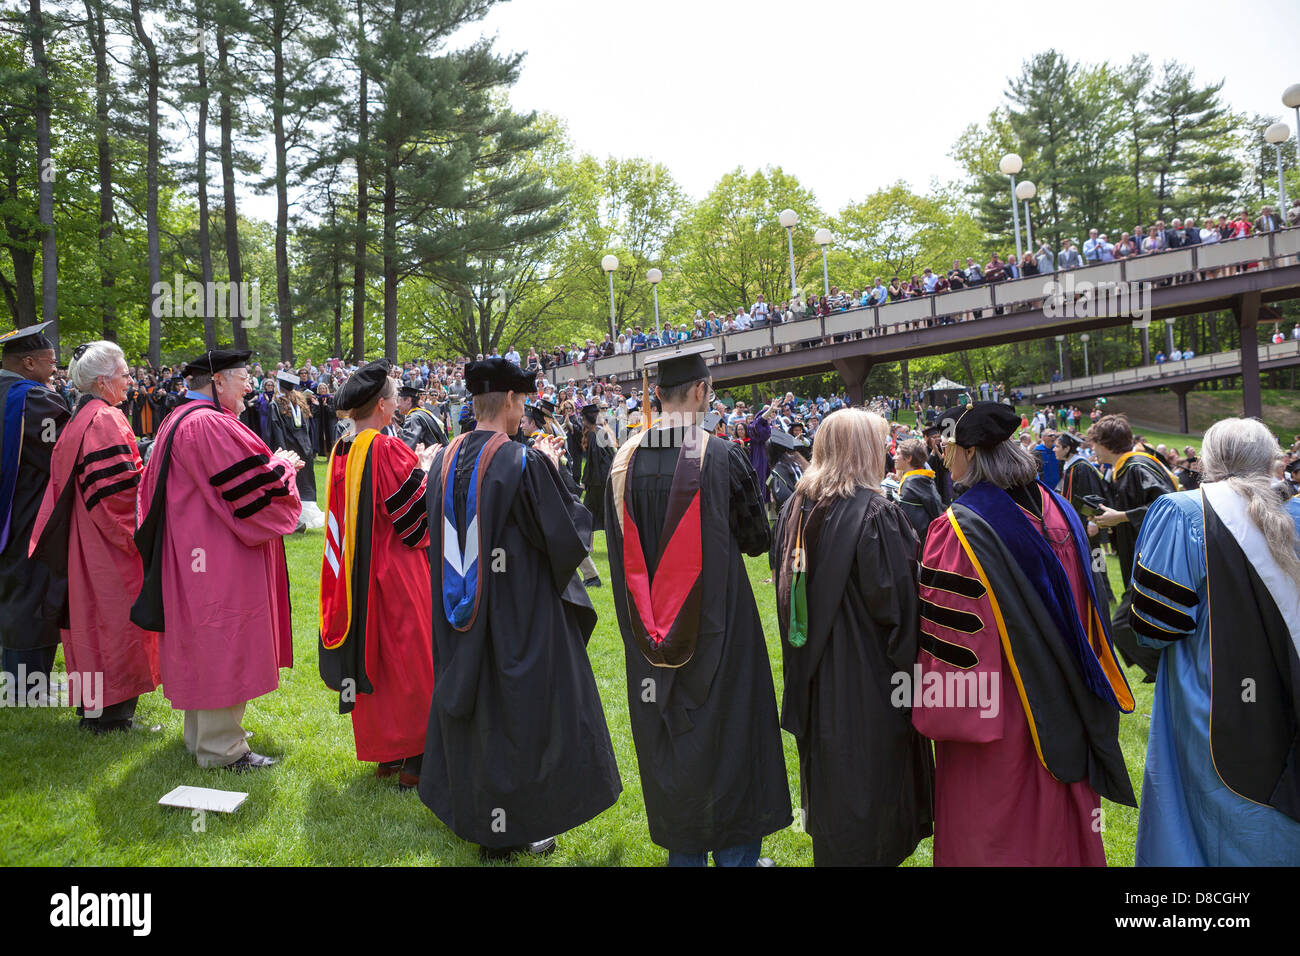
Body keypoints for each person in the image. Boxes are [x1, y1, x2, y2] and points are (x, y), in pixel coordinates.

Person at [912, 402, 1136, 865]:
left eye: (950, 447)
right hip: (1072, 694)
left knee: (999, 827)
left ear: (971, 452)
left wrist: (945, 710)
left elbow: (957, 646)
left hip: (1004, 716)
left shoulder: (958, 528)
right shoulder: (1060, 509)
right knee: (1063, 818)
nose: (944, 457)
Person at [419, 357, 620, 859]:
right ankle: (520, 824)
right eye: (523, 400)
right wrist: (555, 472)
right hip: (516, 614)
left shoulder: (443, 459)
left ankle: (487, 823)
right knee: (521, 713)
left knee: (479, 708)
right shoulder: (522, 461)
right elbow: (567, 539)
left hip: (456, 612)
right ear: (510, 400)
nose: (523, 408)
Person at [605, 343, 789, 866]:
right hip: (719, 631)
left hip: (648, 639)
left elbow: (618, 547)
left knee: (672, 743)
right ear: (703, 391)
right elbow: (757, 541)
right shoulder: (722, 456)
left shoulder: (623, 462)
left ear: (657, 395)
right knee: (730, 737)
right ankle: (737, 859)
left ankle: (684, 859)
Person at [1130, 418, 1300, 864]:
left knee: (1220, 817)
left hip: (1215, 698)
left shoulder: (1184, 512)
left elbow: (1154, 626)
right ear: (1272, 461)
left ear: (1207, 463)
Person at [772, 408, 934, 865]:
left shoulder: (793, 507)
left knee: (831, 791)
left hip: (813, 675)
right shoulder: (878, 513)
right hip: (869, 682)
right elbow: (900, 609)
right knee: (871, 800)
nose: (887, 455)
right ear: (862, 451)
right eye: (880, 445)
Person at [134, 349, 303, 770]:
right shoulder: (208, 423)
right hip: (215, 554)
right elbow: (252, 490)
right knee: (221, 637)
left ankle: (201, 738)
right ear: (217, 381)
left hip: (196, 550)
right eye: (243, 377)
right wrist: (282, 467)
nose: (250, 386)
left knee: (204, 638)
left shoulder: (181, 418)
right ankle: (223, 750)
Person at [28, 341, 159, 731]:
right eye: (124, 374)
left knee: (88, 623)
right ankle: (113, 717)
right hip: (108, 540)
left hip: (84, 537)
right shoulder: (106, 419)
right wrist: (141, 533)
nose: (129, 380)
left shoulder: (81, 416)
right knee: (115, 621)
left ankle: (95, 710)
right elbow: (117, 493)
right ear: (103, 381)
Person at [319, 362, 436, 788]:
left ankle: (388, 755)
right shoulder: (387, 449)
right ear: (385, 407)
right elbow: (415, 523)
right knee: (412, 657)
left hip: (357, 575)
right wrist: (424, 469)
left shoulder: (342, 451)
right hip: (397, 571)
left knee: (375, 660)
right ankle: (418, 758)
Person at [0, 322, 69, 689]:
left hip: (6, 507)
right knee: (30, 593)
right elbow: (66, 454)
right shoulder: (35, 399)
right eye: (51, 361)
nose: (55, 369)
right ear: (28, 363)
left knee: (10, 588)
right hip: (25, 510)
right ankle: (25, 683)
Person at [1089, 414, 1179, 682]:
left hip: (1156, 561)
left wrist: (1123, 516)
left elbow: (1170, 506)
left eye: (1094, 442)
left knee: (1123, 626)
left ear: (1106, 443)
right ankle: (1170, 681)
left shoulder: (1138, 468)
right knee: (1141, 626)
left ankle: (1171, 677)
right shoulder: (1124, 470)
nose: (1092, 448)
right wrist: (1110, 520)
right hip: (1145, 561)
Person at [1054, 431, 1114, 609]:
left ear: (1067, 448)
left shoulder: (1082, 467)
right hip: (1076, 523)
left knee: (1096, 557)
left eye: (1058, 446)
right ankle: (1092, 593)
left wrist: (1093, 521)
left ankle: (1106, 594)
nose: (1055, 449)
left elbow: (1093, 495)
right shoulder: (1070, 466)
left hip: (1087, 523)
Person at [267, 370, 323, 530]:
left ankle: (294, 520)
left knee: (290, 483)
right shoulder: (301, 403)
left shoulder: (275, 405)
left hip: (288, 451)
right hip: (304, 450)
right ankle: (300, 518)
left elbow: (275, 432)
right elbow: (309, 429)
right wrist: (308, 449)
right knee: (303, 483)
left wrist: (279, 453)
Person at [894, 437, 944, 548]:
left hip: (917, 546)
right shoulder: (921, 479)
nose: (894, 457)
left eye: (898, 454)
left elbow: (909, 523)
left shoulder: (911, 485)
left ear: (908, 458)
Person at [580, 403, 615, 532]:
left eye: (583, 419)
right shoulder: (602, 430)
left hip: (597, 480)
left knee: (588, 512)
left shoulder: (592, 435)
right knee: (605, 513)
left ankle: (588, 545)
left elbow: (592, 462)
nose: (582, 422)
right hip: (606, 477)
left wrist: (585, 481)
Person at [397, 386, 449, 450]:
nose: (397, 405)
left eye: (399, 401)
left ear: (408, 400)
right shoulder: (422, 413)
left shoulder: (413, 418)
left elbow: (407, 448)